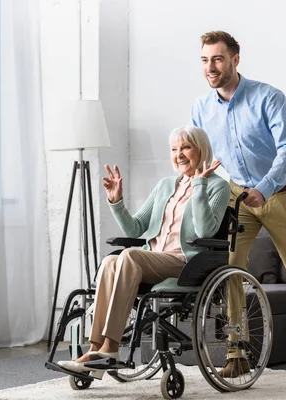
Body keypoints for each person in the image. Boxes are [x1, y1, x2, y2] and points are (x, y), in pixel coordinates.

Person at [191, 31, 286, 375]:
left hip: (281, 195)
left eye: (218, 59)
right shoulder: (201, 108)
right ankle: (236, 353)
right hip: (237, 196)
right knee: (229, 271)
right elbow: (201, 156)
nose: (211, 67)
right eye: (206, 60)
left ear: (235, 60)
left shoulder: (267, 97)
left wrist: (265, 187)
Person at [58, 125, 230, 376]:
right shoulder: (165, 186)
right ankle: (96, 349)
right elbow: (136, 227)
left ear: (201, 149)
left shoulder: (218, 187)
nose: (179, 154)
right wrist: (116, 202)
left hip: (186, 263)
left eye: (186, 147)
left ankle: (111, 346)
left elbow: (205, 231)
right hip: (154, 259)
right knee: (110, 262)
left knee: (128, 255)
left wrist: (200, 186)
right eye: (174, 149)